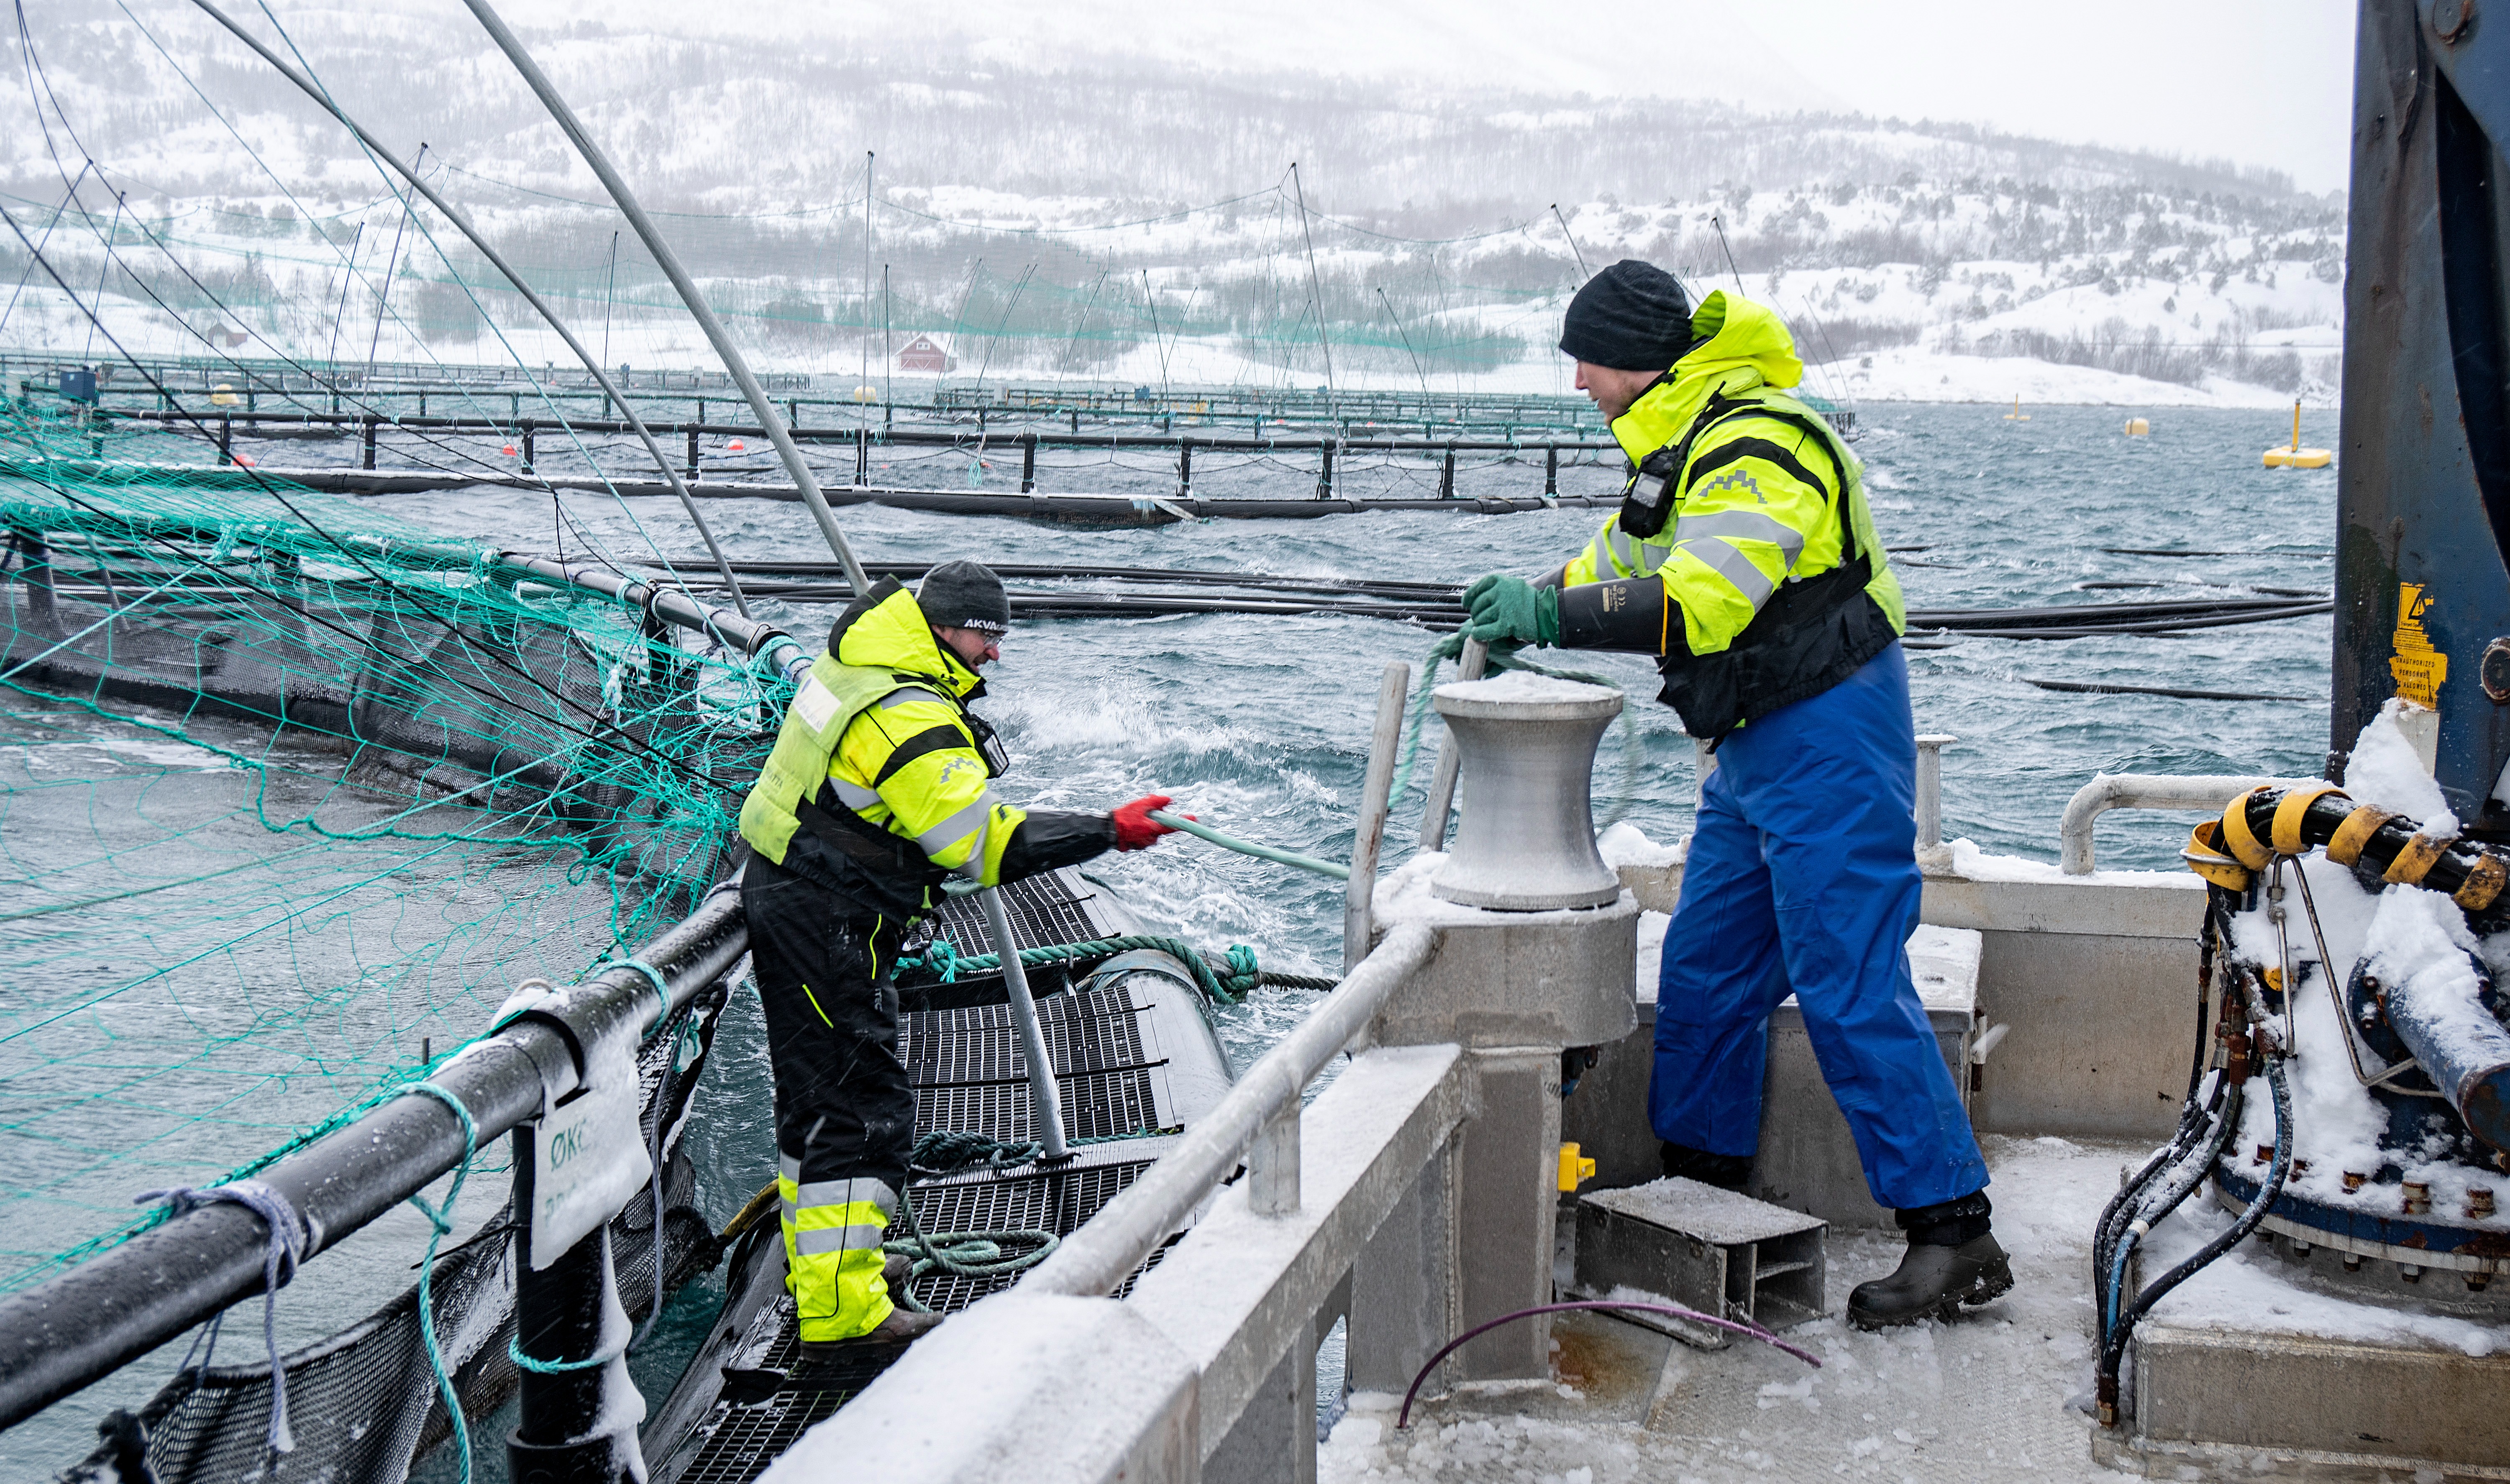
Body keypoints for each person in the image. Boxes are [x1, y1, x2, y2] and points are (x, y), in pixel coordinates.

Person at [1459, 261, 2008, 1329]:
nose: (1578, 381)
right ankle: (1699, 1189)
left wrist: (1552, 615)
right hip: (1754, 749)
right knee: (1707, 971)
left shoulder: (1761, 442)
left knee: (1847, 978)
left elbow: (1703, 601)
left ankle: (1954, 1231)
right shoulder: (1685, 449)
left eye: (1587, 358)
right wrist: (1520, 608)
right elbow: (1619, 560)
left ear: (1636, 359)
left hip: (1829, 736)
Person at [735, 559, 1181, 1349]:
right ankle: (843, 1315)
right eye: (986, 634)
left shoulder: (860, 665)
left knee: (815, 1105)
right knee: (858, 1111)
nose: (996, 653)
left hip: (799, 899)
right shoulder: (909, 715)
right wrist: (1110, 830)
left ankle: (837, 1271)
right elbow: (979, 845)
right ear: (943, 626)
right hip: (831, 921)